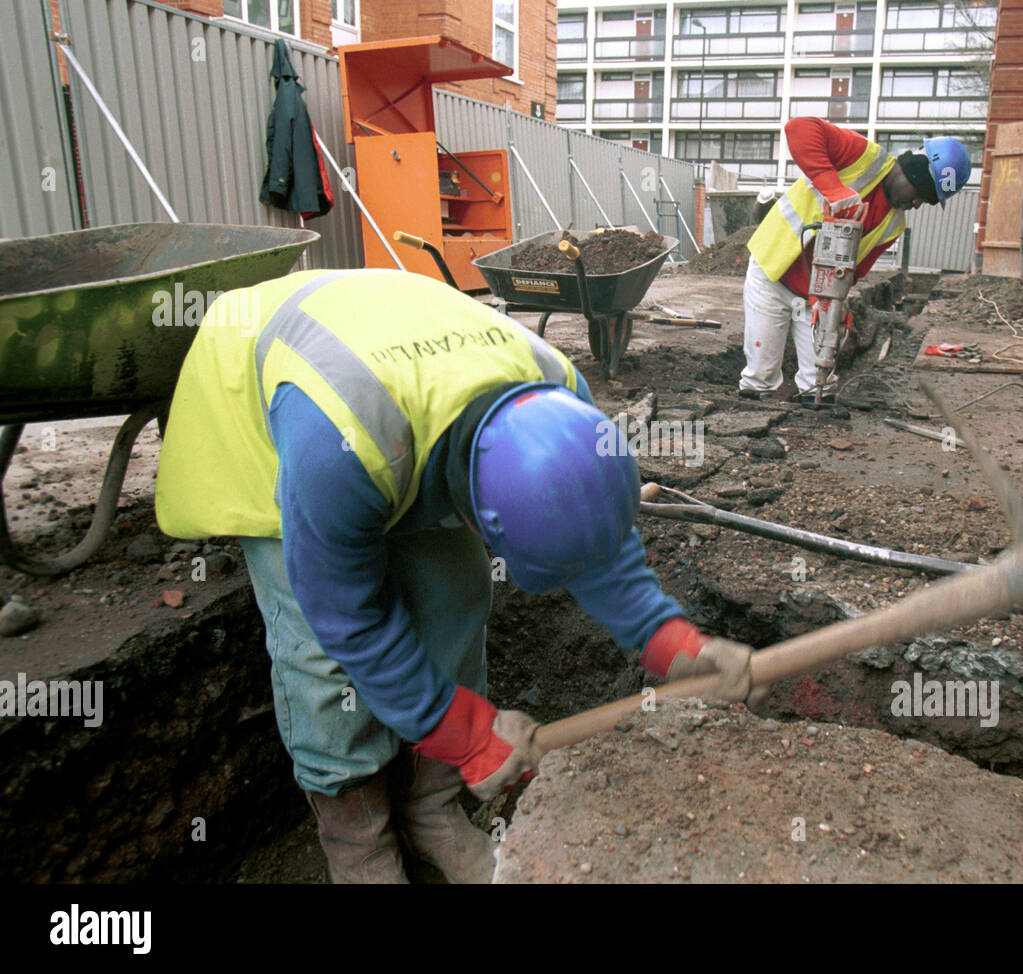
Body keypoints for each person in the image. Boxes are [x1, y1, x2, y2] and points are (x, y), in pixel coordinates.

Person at [153, 268, 759, 884]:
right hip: (271, 399)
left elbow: (593, 537)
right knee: (321, 656)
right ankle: (358, 843)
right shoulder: (335, 448)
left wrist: (671, 641)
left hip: (394, 388)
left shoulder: (562, 391)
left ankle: (432, 810)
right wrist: (469, 736)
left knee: (457, 592)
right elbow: (348, 616)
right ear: (476, 513)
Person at [739, 118, 971, 403]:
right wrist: (833, 188)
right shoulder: (862, 156)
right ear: (912, 174)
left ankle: (808, 424)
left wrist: (835, 302)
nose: (918, 204)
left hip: (814, 293)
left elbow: (853, 271)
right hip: (772, 271)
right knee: (760, 377)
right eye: (922, 195)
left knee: (819, 384)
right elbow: (797, 128)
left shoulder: (893, 224)